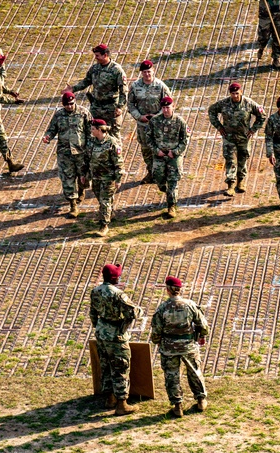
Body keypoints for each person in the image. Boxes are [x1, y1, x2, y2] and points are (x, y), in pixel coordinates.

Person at [150, 275, 208, 418]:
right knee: (194, 371)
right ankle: (201, 400)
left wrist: (157, 341)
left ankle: (177, 406)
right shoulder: (190, 305)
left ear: (168, 290)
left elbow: (156, 331)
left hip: (169, 348)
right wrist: (202, 336)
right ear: (179, 290)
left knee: (172, 375)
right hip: (188, 345)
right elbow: (203, 324)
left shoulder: (162, 308)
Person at [89, 263, 142, 415]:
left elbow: (93, 313)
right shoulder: (118, 294)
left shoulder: (95, 291)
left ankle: (110, 398)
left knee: (105, 365)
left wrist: (99, 327)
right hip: (116, 335)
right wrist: (138, 312)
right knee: (120, 367)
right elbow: (132, 312)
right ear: (114, 278)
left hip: (101, 332)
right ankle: (122, 403)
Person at [208, 82, 265, 197]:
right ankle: (230, 186)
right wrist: (219, 127)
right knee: (230, 161)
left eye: (237, 93)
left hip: (244, 138)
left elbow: (262, 116)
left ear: (241, 92)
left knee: (242, 160)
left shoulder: (249, 103)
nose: (235, 96)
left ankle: (241, 182)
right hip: (229, 138)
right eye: (233, 94)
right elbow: (211, 111)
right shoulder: (223, 104)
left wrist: (253, 129)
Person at [43, 91, 92, 218]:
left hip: (81, 152)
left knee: (83, 176)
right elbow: (52, 129)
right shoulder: (59, 115)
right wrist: (48, 137)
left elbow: (90, 131)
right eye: (67, 105)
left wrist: (91, 148)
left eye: (71, 103)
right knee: (67, 178)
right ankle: (73, 205)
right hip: (65, 153)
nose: (69, 106)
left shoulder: (84, 113)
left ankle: (81, 190)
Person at [127, 59, 172, 183]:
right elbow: (130, 104)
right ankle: (151, 172)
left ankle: (162, 174)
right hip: (143, 124)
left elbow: (169, 104)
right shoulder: (135, 86)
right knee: (146, 149)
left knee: (160, 149)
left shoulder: (161, 86)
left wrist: (157, 116)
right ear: (141, 73)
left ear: (153, 71)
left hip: (158, 125)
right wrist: (139, 116)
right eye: (145, 72)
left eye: (149, 71)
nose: (147, 74)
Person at [68, 43, 128, 136]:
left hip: (111, 108)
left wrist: (120, 107)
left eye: (97, 55)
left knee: (113, 133)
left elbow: (123, 90)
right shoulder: (94, 68)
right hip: (96, 107)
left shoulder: (116, 70)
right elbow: (86, 81)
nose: (95, 58)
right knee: (93, 132)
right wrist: (73, 89)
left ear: (105, 55)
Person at [148, 96, 187, 218]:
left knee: (173, 180)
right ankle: (163, 188)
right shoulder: (154, 121)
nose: (165, 110)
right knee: (157, 177)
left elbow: (185, 140)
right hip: (159, 155)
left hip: (173, 156)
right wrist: (156, 151)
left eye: (167, 107)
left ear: (173, 107)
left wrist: (175, 152)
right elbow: (148, 139)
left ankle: (171, 206)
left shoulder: (180, 122)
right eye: (163, 108)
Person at [87, 118, 122, 235]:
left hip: (108, 178)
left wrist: (118, 179)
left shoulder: (112, 143)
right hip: (96, 177)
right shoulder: (91, 142)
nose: (91, 131)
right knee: (99, 197)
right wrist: (85, 175)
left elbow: (118, 162)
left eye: (93, 129)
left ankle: (104, 225)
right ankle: (110, 213)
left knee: (104, 201)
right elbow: (88, 159)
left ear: (99, 130)